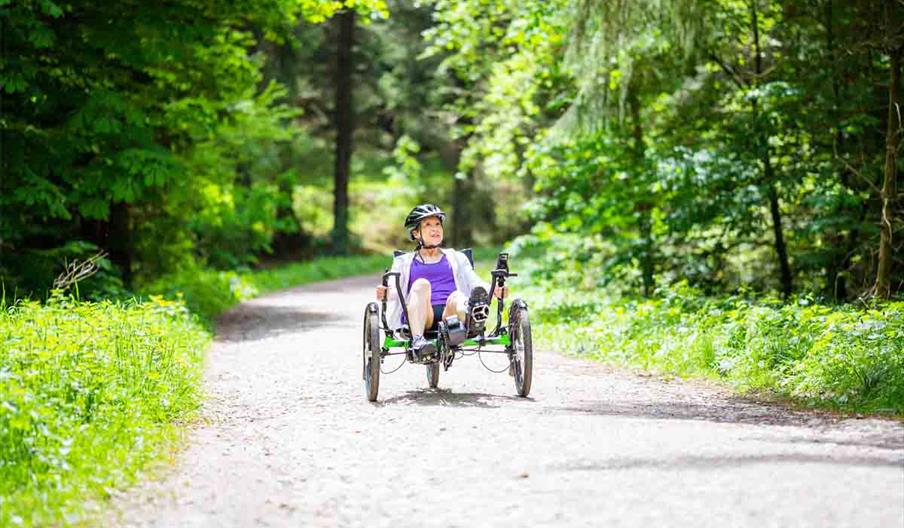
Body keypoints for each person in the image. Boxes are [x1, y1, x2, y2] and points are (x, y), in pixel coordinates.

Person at [375, 204, 508, 359]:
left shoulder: (457, 257)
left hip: (450, 315)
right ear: (416, 233)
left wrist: (493, 290)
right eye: (428, 225)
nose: (435, 229)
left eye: (438, 224)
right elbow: (392, 288)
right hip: (421, 315)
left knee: (457, 296)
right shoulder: (404, 261)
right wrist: (385, 292)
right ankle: (418, 342)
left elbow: (475, 282)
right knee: (421, 284)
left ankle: (472, 318)